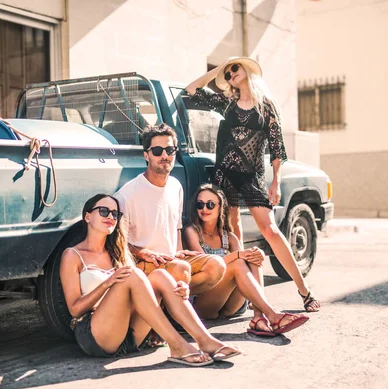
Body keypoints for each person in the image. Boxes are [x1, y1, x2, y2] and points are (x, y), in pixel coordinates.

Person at [185, 57, 321, 312]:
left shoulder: (267, 106)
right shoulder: (226, 104)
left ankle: (304, 290)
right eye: (228, 72)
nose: (230, 74)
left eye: (234, 68)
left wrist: (276, 183)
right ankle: (252, 297)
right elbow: (190, 90)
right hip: (225, 177)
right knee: (236, 235)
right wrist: (218, 69)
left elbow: (278, 147)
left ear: (248, 71)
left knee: (270, 230)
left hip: (252, 177)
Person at [60, 194, 241, 364]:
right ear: (87, 217)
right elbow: (75, 309)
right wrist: (108, 283)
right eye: (103, 211)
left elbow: (141, 288)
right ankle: (177, 346)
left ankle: (206, 341)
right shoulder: (73, 255)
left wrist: (178, 288)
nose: (110, 216)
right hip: (95, 334)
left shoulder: (118, 252)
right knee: (133, 273)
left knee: (161, 276)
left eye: (115, 213)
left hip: (128, 334)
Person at [114, 124, 226, 296]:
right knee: (181, 269)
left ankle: (169, 299)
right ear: (146, 155)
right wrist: (142, 253)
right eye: (157, 150)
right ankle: (171, 308)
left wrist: (178, 251)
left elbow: (176, 226)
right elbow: (117, 242)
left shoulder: (175, 186)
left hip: (171, 258)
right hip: (144, 263)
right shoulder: (127, 195)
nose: (164, 155)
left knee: (216, 265)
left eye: (170, 150)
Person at [184, 184, 309, 335]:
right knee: (239, 261)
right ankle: (272, 315)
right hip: (205, 304)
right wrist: (238, 255)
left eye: (210, 205)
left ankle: (258, 316)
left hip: (232, 306)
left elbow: (244, 261)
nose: (204, 209)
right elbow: (205, 264)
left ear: (220, 207)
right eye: (200, 204)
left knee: (252, 258)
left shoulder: (229, 237)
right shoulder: (192, 232)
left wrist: (257, 254)